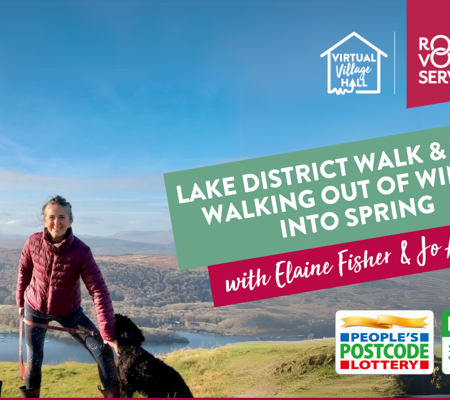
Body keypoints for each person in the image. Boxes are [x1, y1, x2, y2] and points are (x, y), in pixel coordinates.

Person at [16, 195, 120, 398]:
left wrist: (107, 333)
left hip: (69, 312)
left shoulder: (81, 251)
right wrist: (20, 302)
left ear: (71, 220)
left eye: (62, 217)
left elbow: (98, 290)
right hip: (34, 309)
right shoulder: (33, 241)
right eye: (52, 217)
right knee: (34, 359)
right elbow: (24, 271)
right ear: (44, 220)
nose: (57, 222)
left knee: (103, 351)